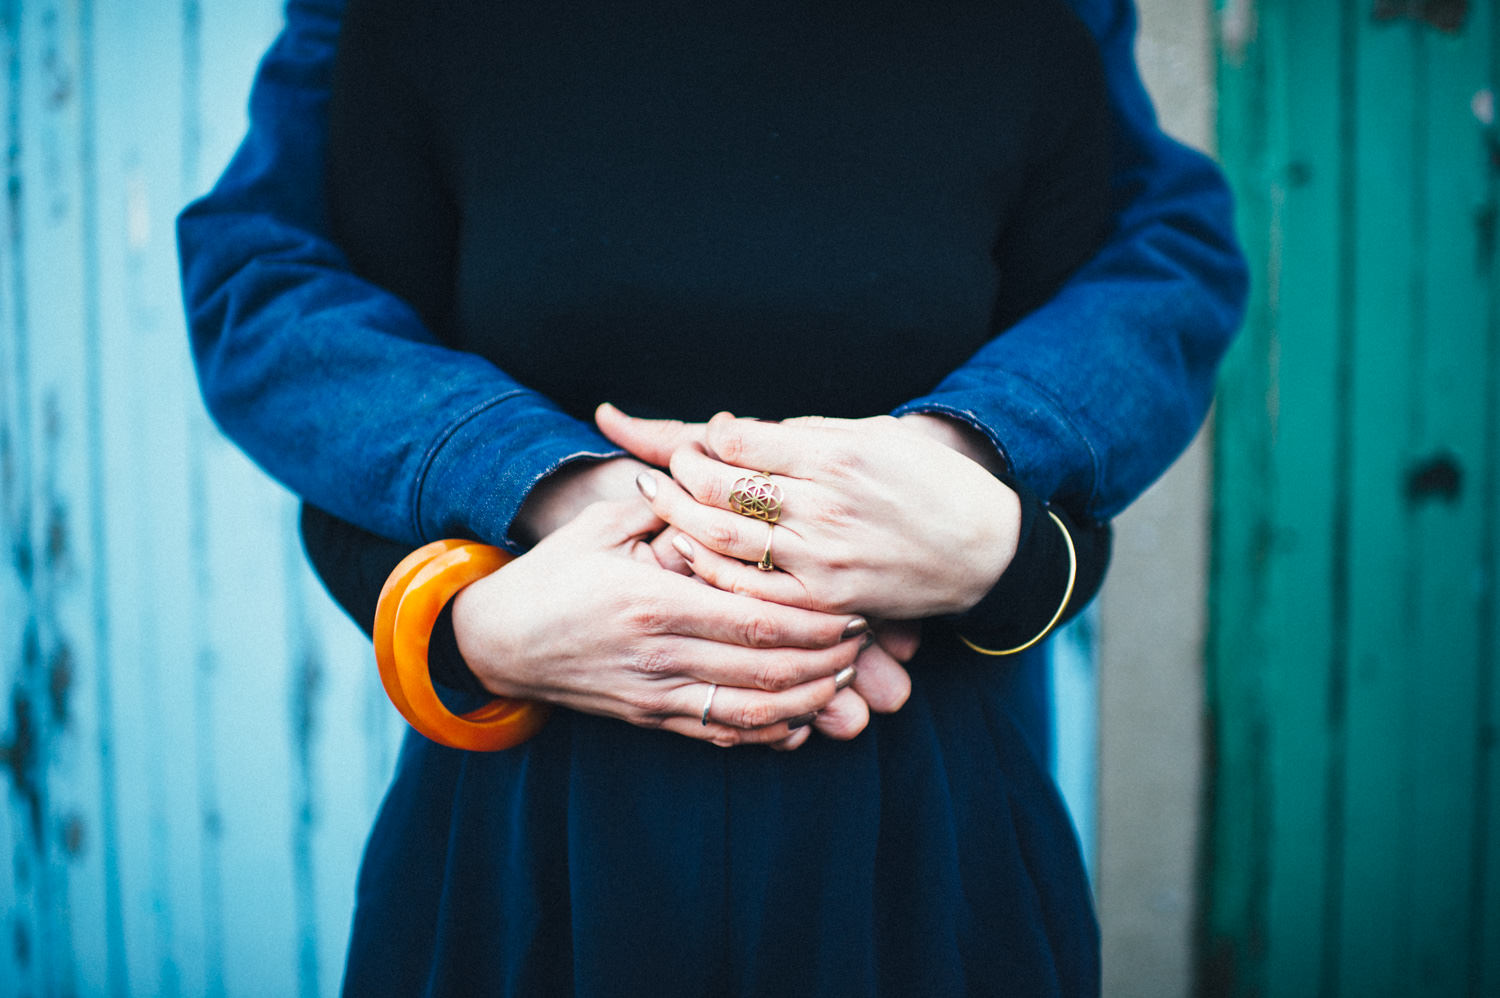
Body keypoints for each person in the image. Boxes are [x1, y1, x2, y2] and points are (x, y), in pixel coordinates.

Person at [176, 0, 1247, 993]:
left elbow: (1123, 329)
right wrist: (475, 614)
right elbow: (311, 350)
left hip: (929, 815)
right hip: (528, 825)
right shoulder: (422, 29)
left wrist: (978, 499)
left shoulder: (1021, 34)